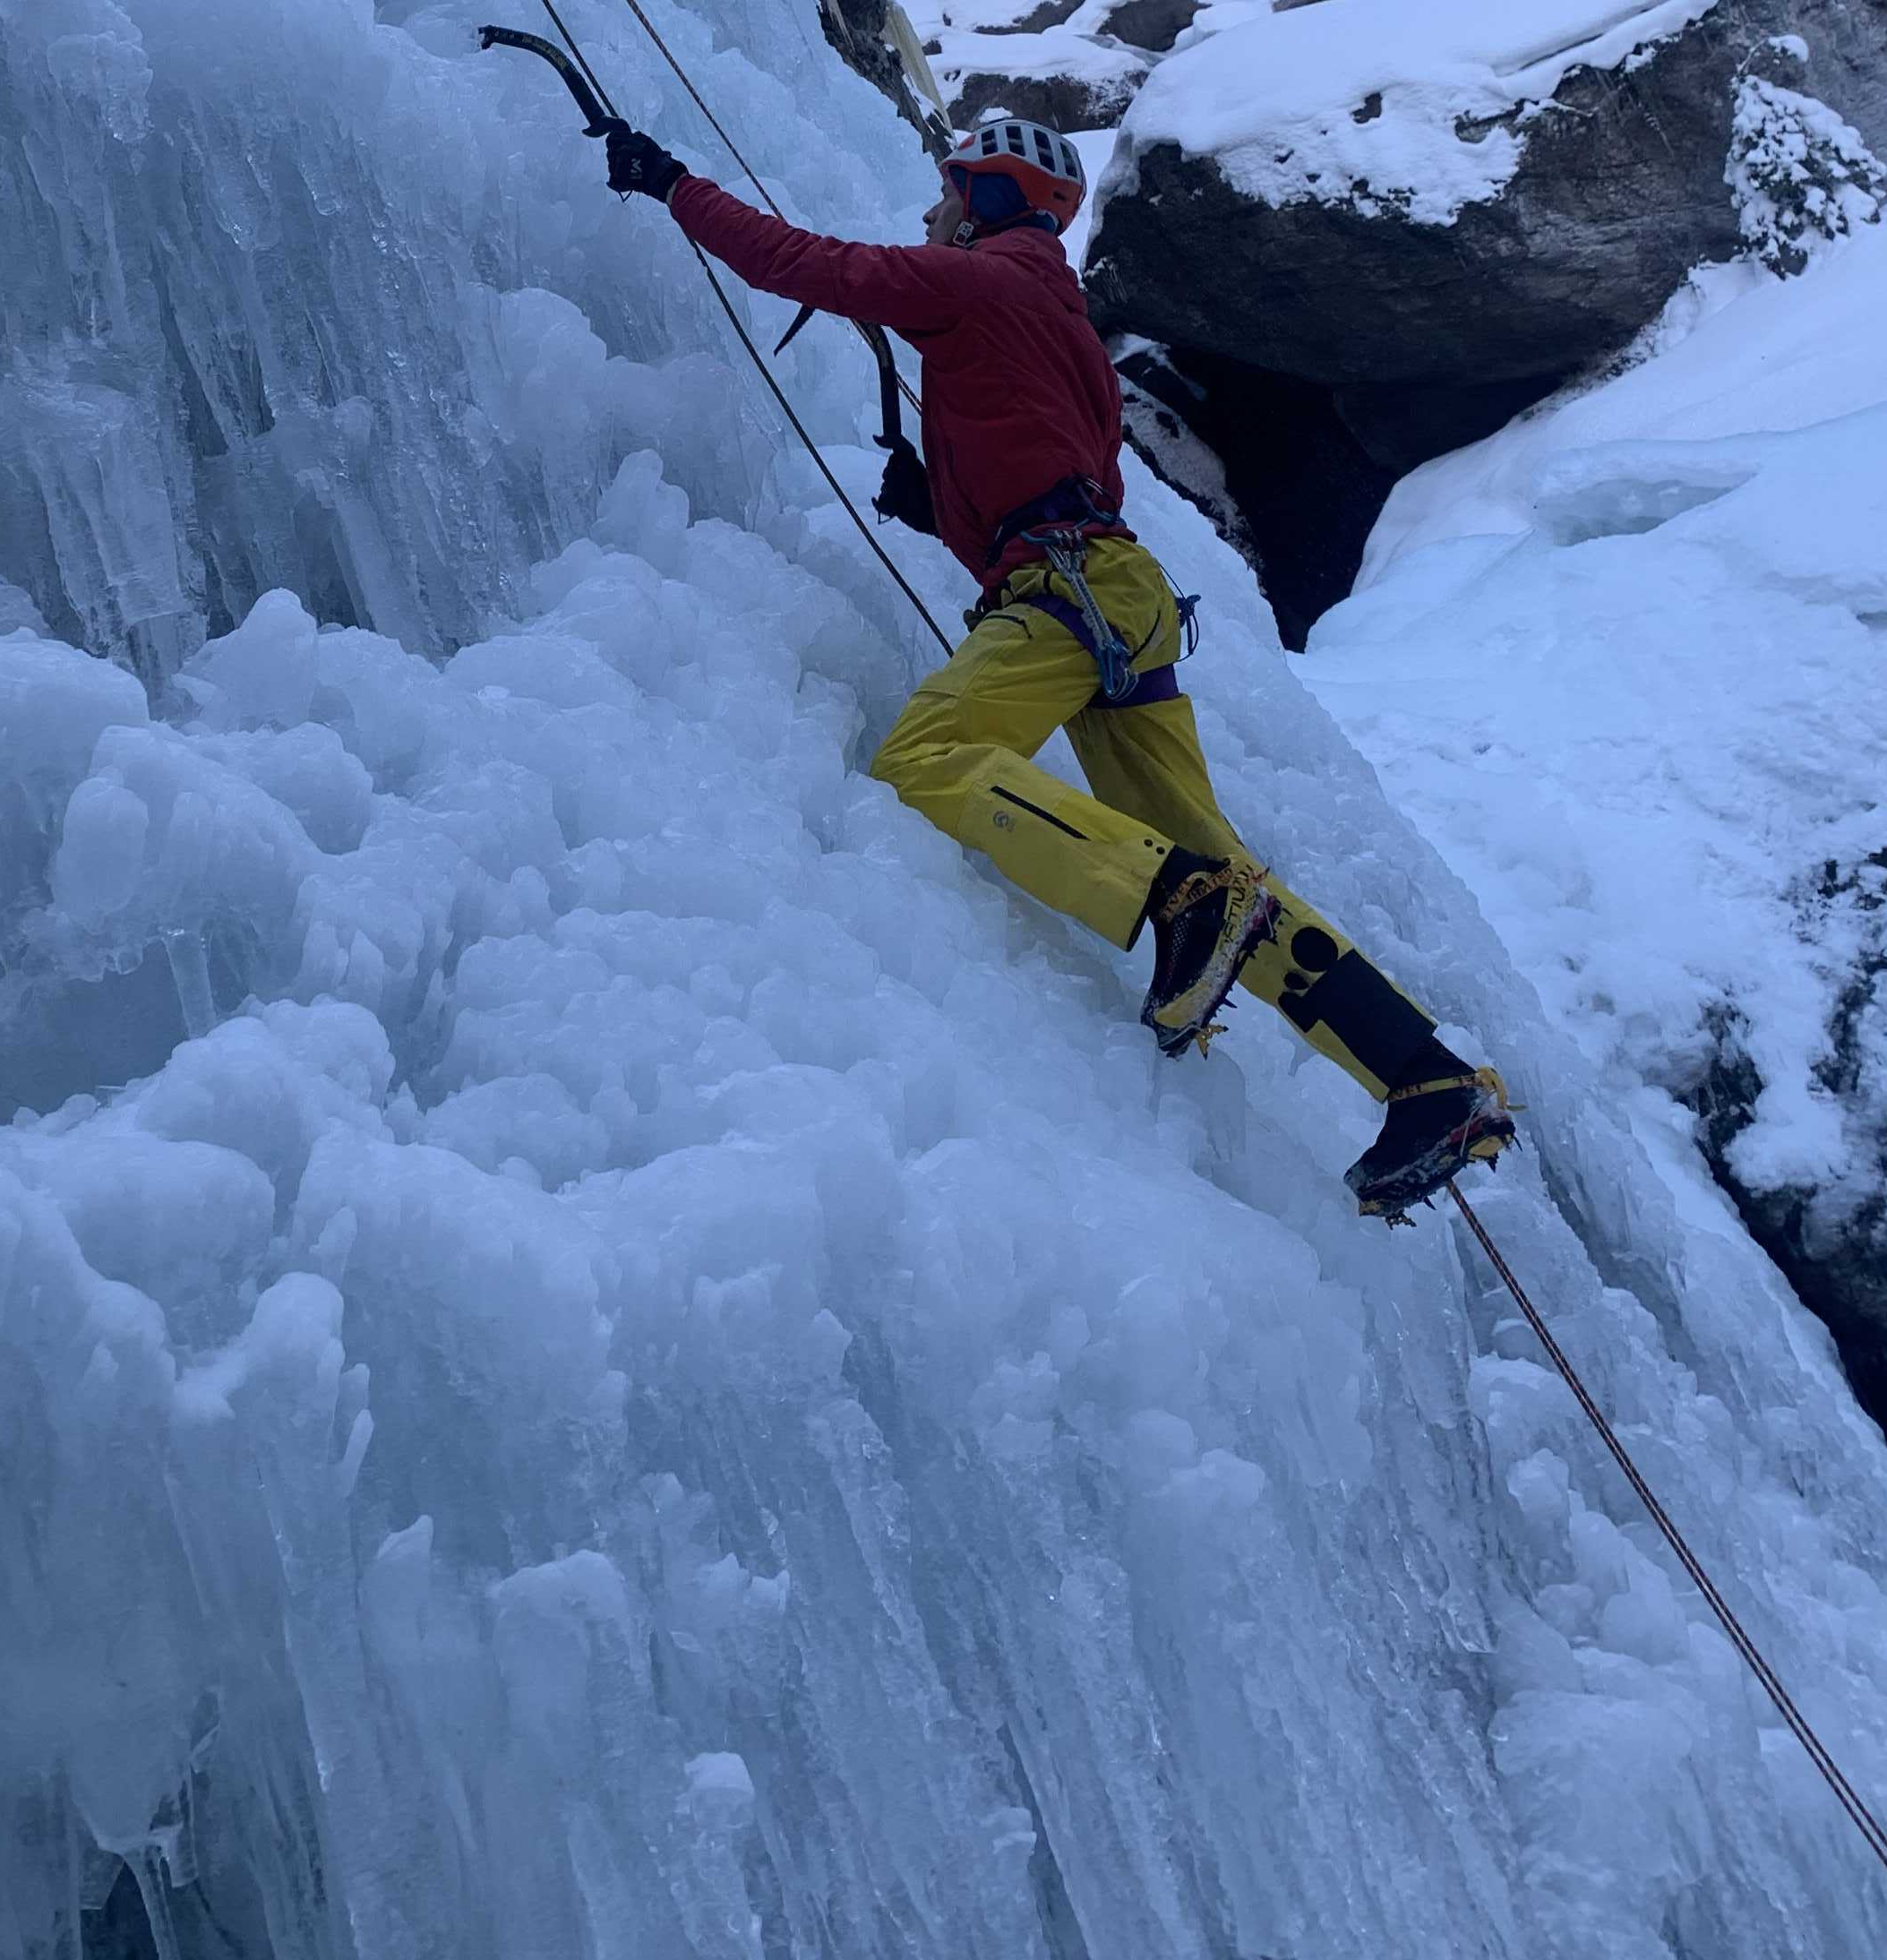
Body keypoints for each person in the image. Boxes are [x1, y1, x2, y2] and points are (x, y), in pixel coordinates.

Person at [596, 106, 1517, 1221]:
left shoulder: (981, 283)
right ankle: (1424, 1076)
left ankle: (1172, 901)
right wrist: (940, 510)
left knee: (929, 753)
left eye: (950, 189)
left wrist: (672, 183)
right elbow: (1056, 470)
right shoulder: (1061, 325)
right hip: (1112, 590)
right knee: (1223, 860)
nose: (932, 209)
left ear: (991, 201)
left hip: (1066, 592)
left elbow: (805, 264)